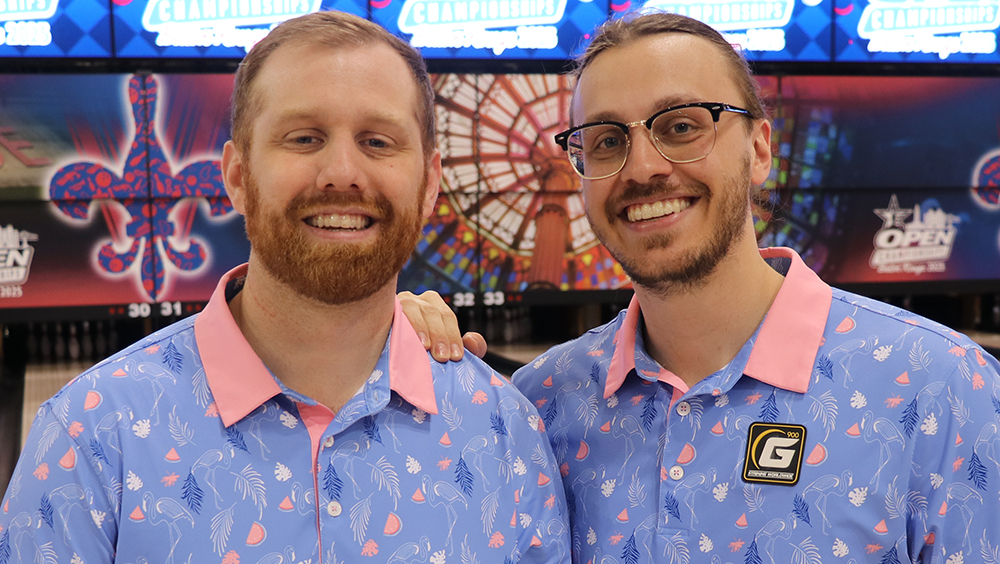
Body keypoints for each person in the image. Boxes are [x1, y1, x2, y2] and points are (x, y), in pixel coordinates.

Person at [405, 11, 1000, 563]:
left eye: (682, 126)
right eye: (607, 140)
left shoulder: (941, 386)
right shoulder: (540, 404)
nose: (643, 168)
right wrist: (378, 343)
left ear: (760, 148)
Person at [0, 12, 570, 564]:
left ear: (429, 185)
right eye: (303, 138)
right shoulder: (90, 438)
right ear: (238, 178)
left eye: (377, 141)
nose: (341, 171)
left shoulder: (508, 435)